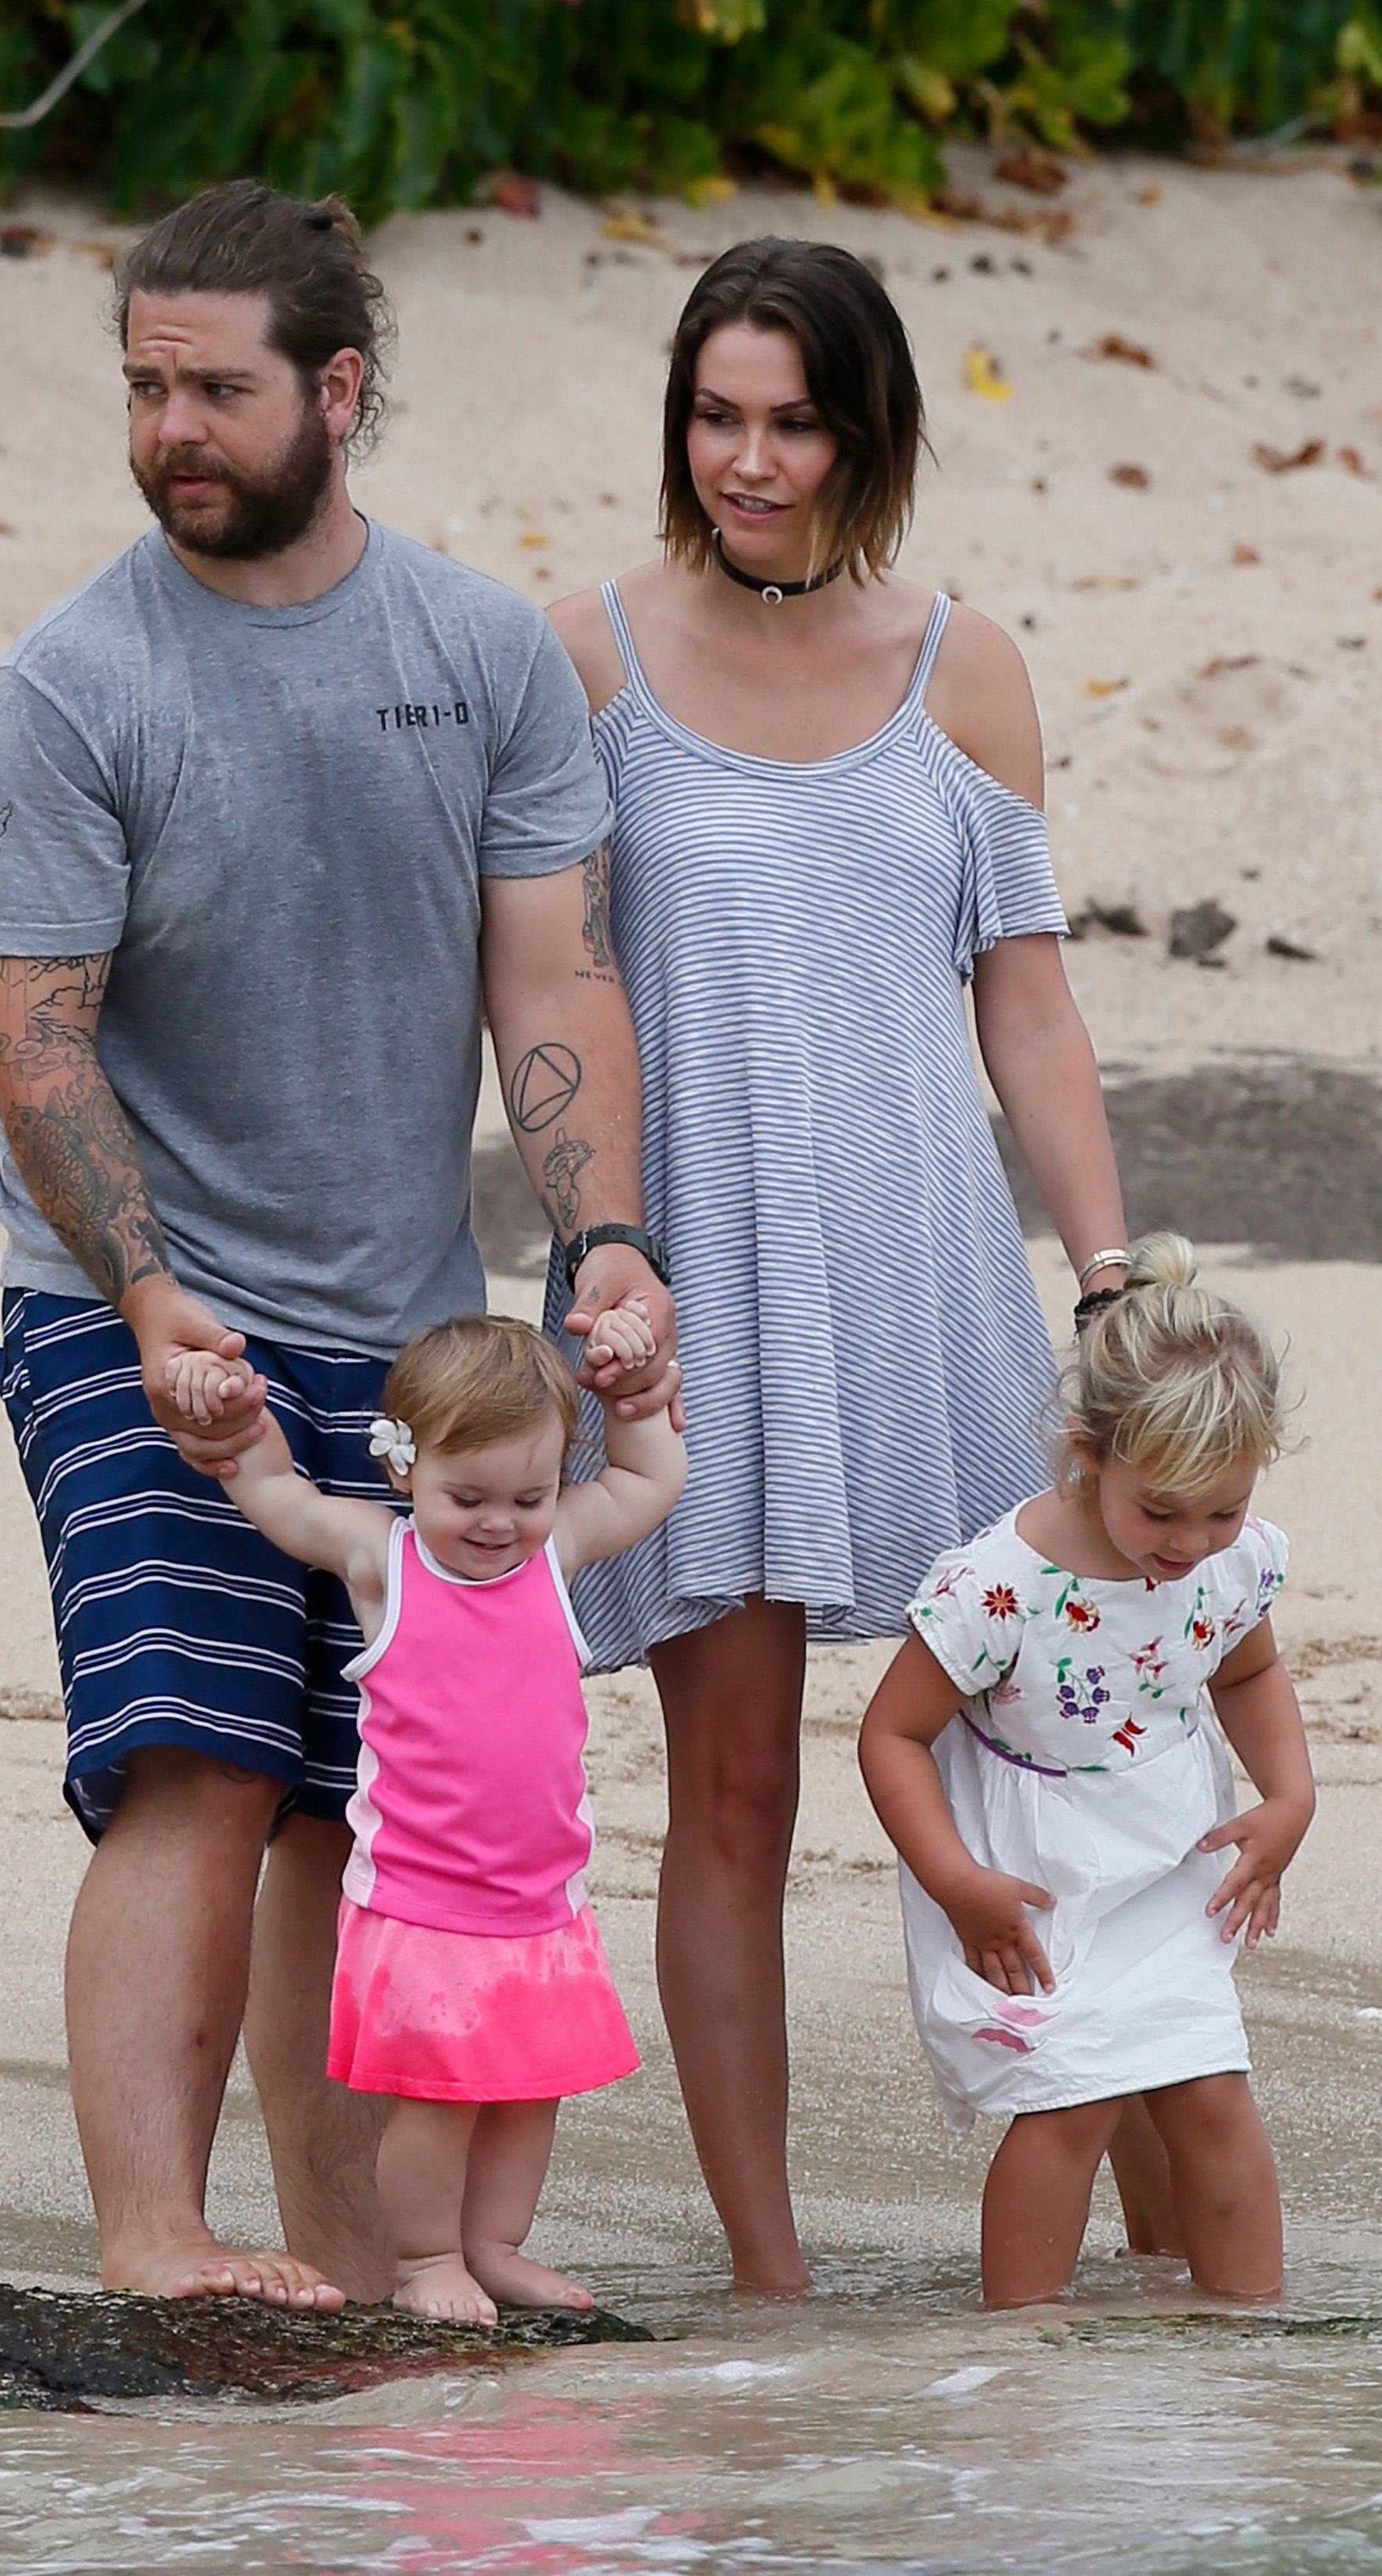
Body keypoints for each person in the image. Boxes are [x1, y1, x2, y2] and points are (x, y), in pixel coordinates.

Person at [0, 180, 678, 2313]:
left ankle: (364, 2274)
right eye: (146, 386)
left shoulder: (477, 659)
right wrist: (162, 1306)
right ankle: (160, 2251)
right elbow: (37, 1049)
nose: (173, 425)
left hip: (408, 1330)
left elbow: (554, 986)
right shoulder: (68, 690)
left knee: (366, 1813)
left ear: (337, 390)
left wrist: (604, 1248)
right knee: (196, 1749)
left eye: (218, 386)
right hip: (123, 1297)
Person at [545, 237, 1137, 2296]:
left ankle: (1144, 2227)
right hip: (687, 1284)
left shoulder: (963, 668)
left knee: (1043, 1754)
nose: (750, 457)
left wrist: (1113, 1273)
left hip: (926, 1288)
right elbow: (549, 986)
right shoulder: (592, 659)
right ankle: (771, 2272)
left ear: (867, 430)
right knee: (725, 1788)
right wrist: (597, 1254)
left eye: (794, 419)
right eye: (718, 414)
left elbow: (1031, 1014)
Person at [182, 1313, 685, 2324]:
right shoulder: (387, 1560)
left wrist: (636, 1392)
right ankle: (423, 2259)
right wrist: (241, 1425)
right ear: (406, 1466)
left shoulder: (557, 1553)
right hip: (420, 1902)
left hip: (542, 1898)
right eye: (469, 1497)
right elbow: (279, 1496)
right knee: (441, 2096)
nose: (500, 1522)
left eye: (528, 1497)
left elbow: (648, 1481)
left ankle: (493, 2245)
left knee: (530, 2086)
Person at [854, 1237, 1315, 2310]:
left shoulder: (1226, 1564)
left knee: (1211, 2088)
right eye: (1161, 1511)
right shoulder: (997, 1586)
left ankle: (1253, 2339)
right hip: (1031, 1875)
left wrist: (1290, 1800)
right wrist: (957, 1883)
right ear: (1087, 1452)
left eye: (1223, 1511)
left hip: (1170, 1850)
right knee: (1068, 2100)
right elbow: (891, 1736)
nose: (1191, 1543)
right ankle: (1018, 2360)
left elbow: (1250, 1668)